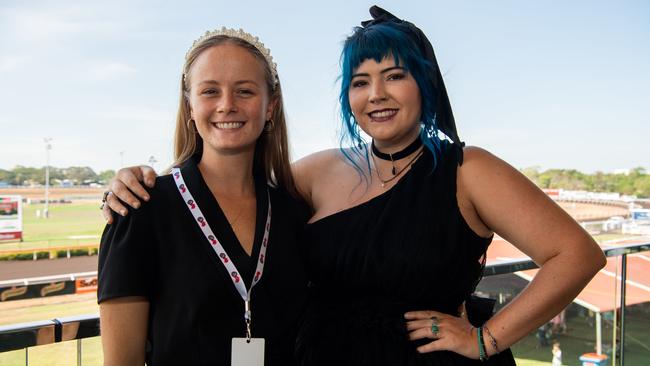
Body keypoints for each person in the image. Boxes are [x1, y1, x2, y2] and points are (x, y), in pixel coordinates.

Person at [104, 6, 606, 365]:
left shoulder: (467, 168)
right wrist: (130, 183)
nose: (377, 95)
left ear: (425, 84)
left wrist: (485, 340)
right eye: (360, 81)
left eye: (395, 76)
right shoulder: (315, 172)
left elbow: (577, 255)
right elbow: (222, 194)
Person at [98, 27, 309, 366]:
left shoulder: (292, 214)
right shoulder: (140, 208)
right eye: (210, 91)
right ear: (191, 106)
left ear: (271, 106)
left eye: (245, 91)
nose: (227, 105)